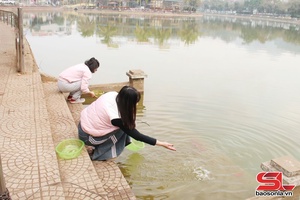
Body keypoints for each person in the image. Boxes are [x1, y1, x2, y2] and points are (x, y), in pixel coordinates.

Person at [78, 85, 176, 161]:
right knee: (124, 131)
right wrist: (162, 144)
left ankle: (106, 147)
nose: (137, 104)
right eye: (135, 102)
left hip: (82, 127)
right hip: (88, 137)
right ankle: (100, 154)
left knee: (127, 129)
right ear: (127, 102)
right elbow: (137, 136)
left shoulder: (112, 94)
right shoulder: (116, 117)